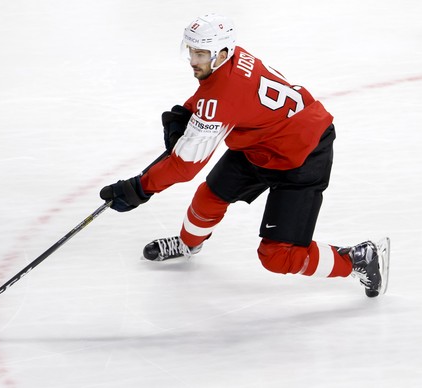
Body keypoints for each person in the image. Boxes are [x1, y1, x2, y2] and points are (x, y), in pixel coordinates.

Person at [99, 14, 390, 297]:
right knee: (209, 197)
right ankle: (188, 245)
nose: (193, 61)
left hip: (303, 153)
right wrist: (189, 111)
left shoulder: (222, 97)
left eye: (201, 53)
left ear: (222, 53)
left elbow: (185, 166)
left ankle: (358, 260)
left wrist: (140, 188)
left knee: (277, 256)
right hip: (264, 142)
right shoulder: (234, 56)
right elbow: (219, 98)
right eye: (191, 51)